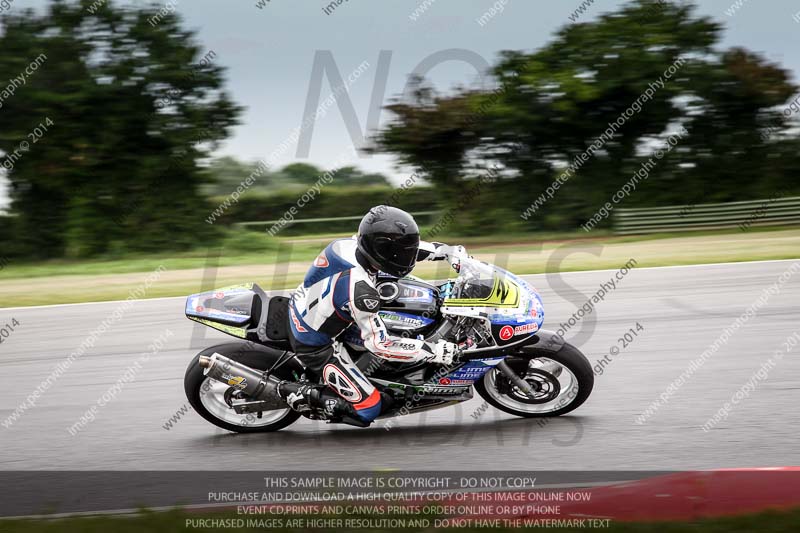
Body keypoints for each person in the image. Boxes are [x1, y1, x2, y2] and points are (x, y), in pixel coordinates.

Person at [277, 205, 467, 427]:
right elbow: (380, 345)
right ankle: (298, 393)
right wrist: (433, 351)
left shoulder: (350, 245)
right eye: (400, 253)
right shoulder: (361, 292)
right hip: (314, 342)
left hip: (318, 308)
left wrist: (447, 252)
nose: (407, 256)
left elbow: (406, 246)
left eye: (407, 250)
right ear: (380, 251)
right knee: (370, 407)